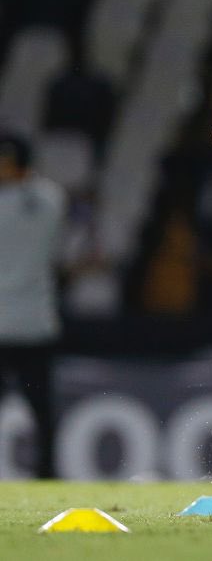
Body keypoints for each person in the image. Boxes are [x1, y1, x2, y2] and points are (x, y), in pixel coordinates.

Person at [0, 132, 67, 478]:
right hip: (36, 324)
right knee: (41, 409)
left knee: (41, 409)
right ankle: (47, 473)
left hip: (15, 325)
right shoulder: (51, 198)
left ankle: (47, 471)